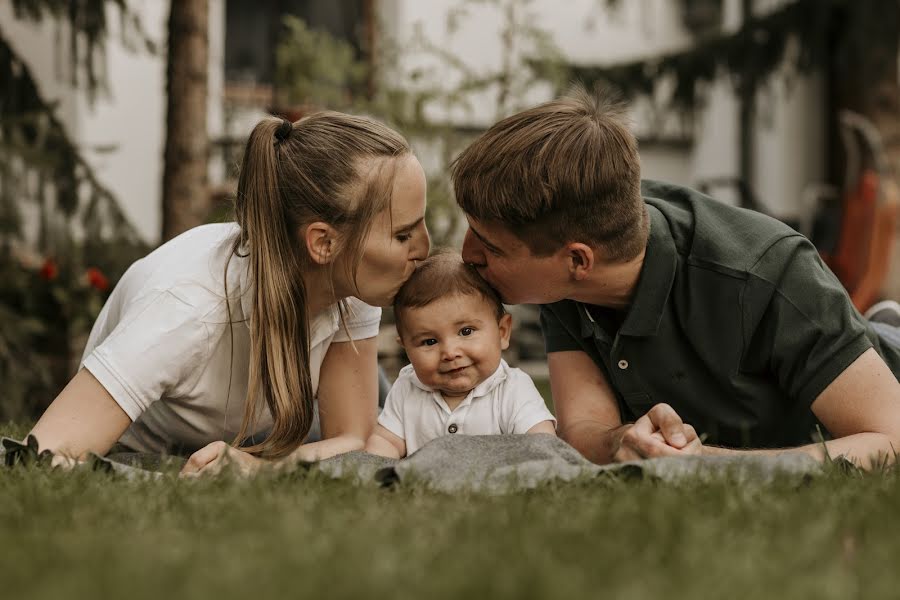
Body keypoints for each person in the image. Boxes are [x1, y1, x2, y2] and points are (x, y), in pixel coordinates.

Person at [450, 84, 900, 469]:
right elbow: (585, 427)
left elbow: (890, 441)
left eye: (489, 246)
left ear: (579, 261)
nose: (467, 254)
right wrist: (621, 441)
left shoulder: (768, 274)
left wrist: (706, 464)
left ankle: (884, 332)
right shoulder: (571, 249)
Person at [29, 111, 430, 475]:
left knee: (399, 421)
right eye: (403, 234)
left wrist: (257, 468)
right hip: (166, 443)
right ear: (324, 243)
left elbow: (354, 440)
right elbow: (45, 451)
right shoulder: (187, 308)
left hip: (267, 427)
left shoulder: (350, 282)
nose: (425, 249)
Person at [364, 250, 556, 459]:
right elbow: (387, 440)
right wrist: (376, 463)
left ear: (502, 332)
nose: (450, 352)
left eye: (466, 332)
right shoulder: (406, 388)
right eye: (430, 341)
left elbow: (541, 442)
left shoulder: (512, 389)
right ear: (406, 348)